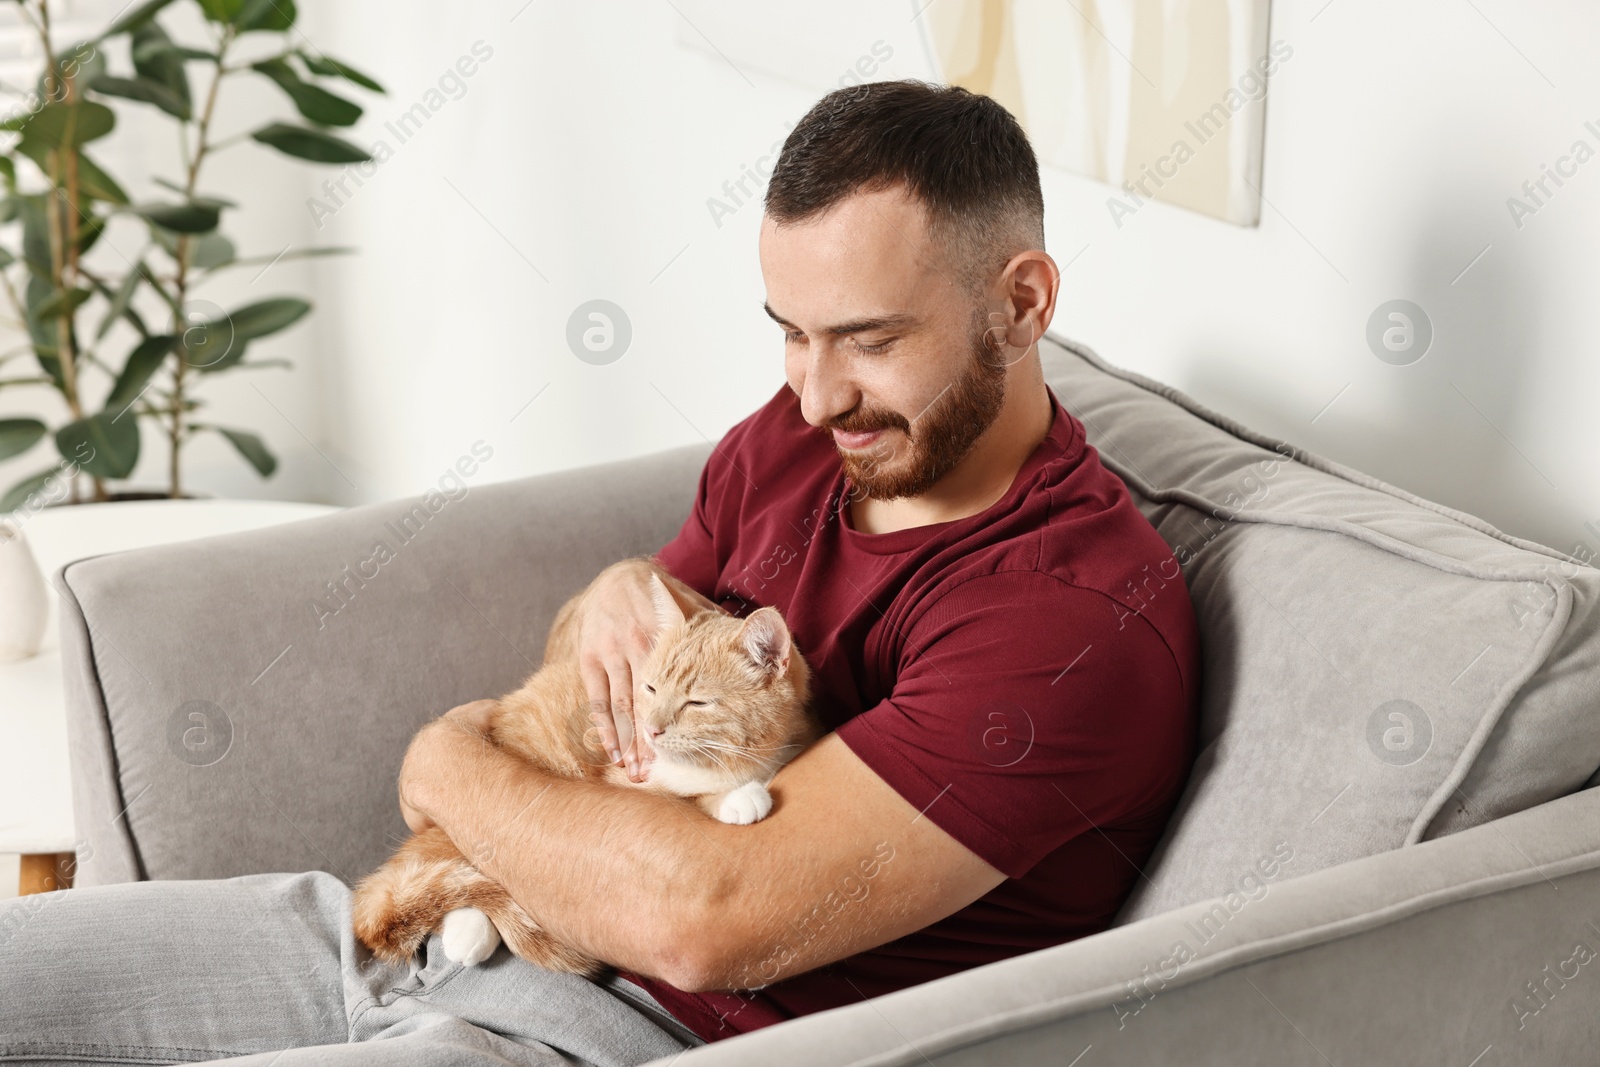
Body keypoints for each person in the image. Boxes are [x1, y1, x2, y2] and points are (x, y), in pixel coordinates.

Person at [0, 79, 1198, 1066]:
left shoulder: (1069, 617)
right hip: (414, 930)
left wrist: (442, 756)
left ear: (1022, 302)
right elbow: (597, 651)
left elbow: (699, 920)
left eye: (871, 340)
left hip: (599, 1031)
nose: (817, 391)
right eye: (790, 328)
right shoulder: (795, 441)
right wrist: (619, 583)